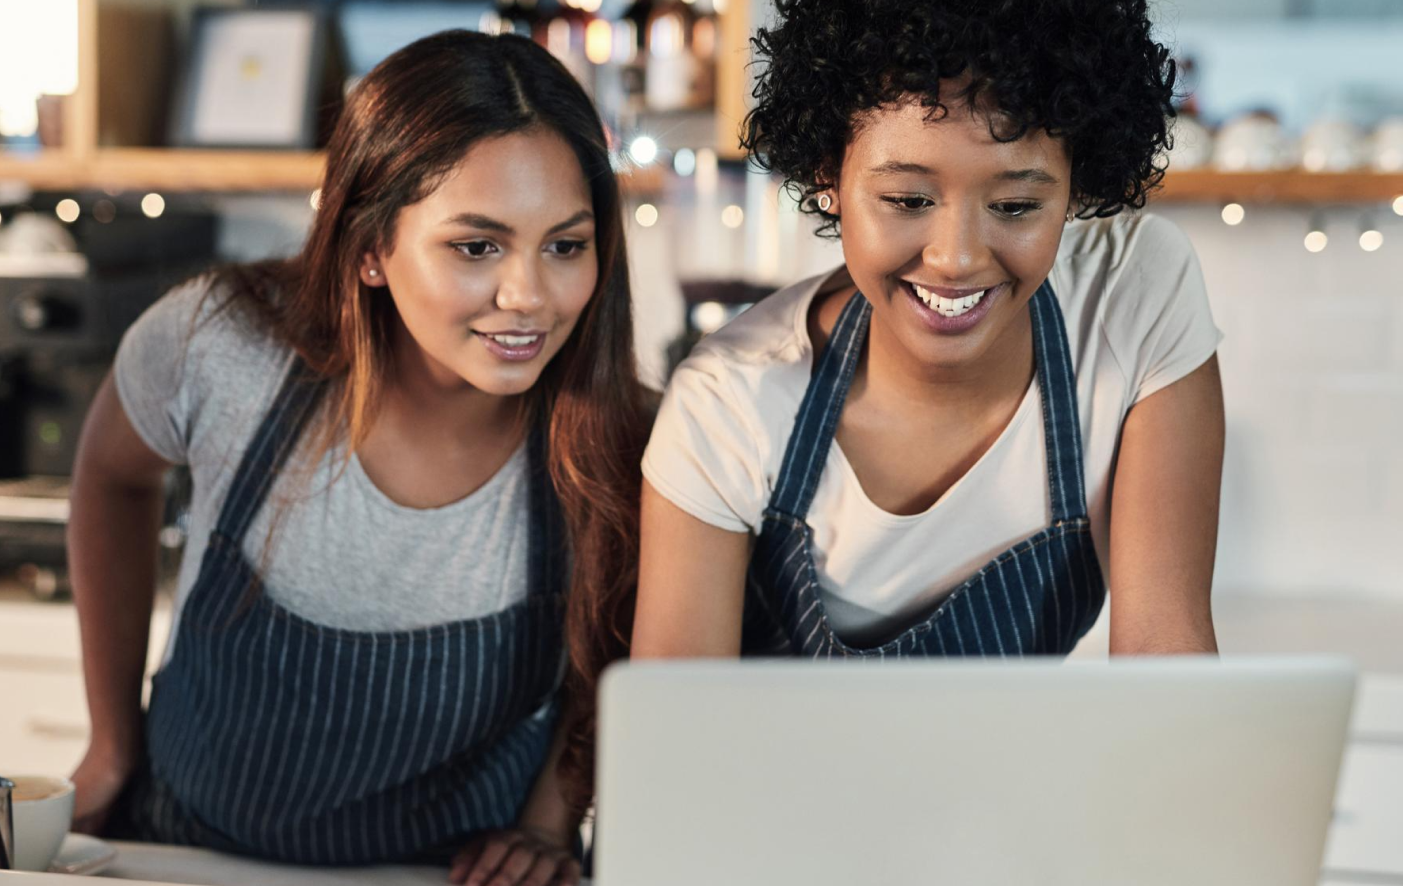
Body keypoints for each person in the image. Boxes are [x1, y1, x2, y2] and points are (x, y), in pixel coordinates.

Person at [66, 31, 645, 886]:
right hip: (179, 856)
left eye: (565, 245)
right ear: (371, 247)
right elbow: (111, 477)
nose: (529, 297)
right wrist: (111, 740)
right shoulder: (217, 343)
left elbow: (625, 647)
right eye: (476, 246)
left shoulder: (625, 435)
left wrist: (550, 826)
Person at [607, 0, 1221, 686]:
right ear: (826, 176)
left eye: (1015, 206)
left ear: (1076, 186)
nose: (956, 259)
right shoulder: (730, 399)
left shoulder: (1130, 293)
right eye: (907, 200)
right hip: (774, 792)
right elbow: (682, 746)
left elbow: (1168, 668)